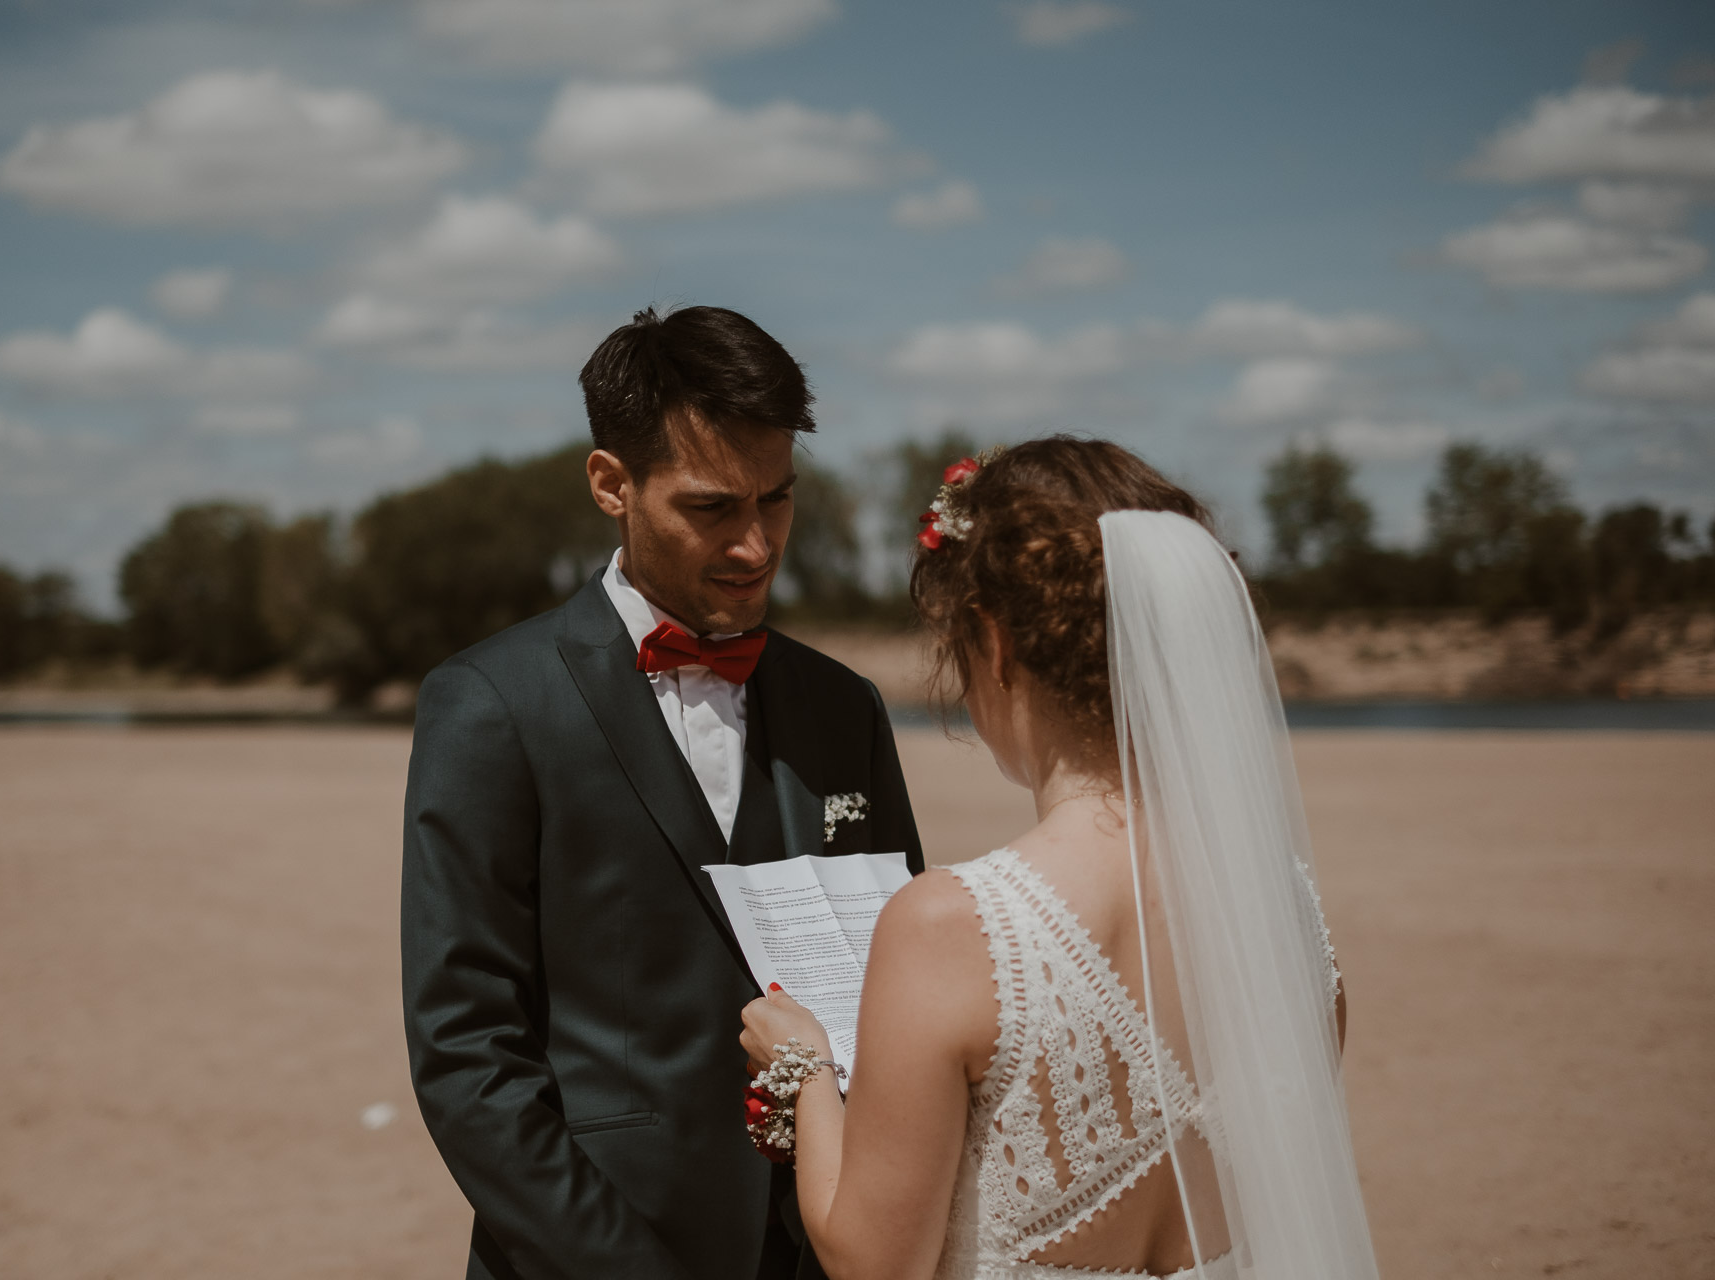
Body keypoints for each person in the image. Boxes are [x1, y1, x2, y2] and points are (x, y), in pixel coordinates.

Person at [739, 438, 1382, 1280]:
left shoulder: (952, 924)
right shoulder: (1282, 904)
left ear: (996, 646)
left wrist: (805, 1065)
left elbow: (873, 1262)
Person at [402, 304, 925, 1280]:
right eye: (711, 507)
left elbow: (900, 996)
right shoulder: (488, 703)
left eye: (776, 500)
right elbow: (467, 1057)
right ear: (611, 483)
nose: (756, 544)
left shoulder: (840, 705)